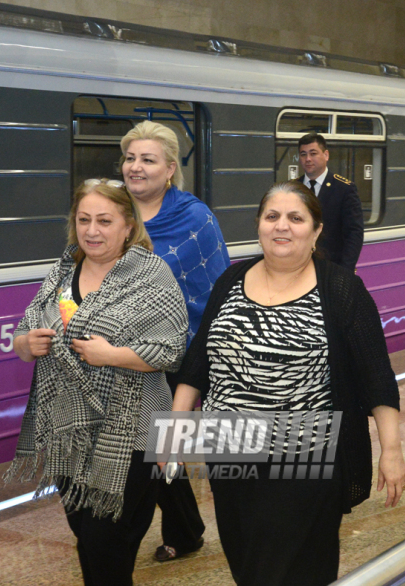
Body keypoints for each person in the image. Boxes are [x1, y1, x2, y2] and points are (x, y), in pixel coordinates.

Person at [169, 181, 405, 585]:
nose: (282, 226)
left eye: (296, 218)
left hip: (305, 451)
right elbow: (198, 362)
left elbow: (376, 376)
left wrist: (393, 450)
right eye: (272, 216)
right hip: (228, 447)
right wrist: (174, 433)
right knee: (246, 563)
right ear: (259, 225)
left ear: (315, 231)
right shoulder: (230, 280)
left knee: (281, 569)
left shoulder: (341, 289)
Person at [5, 179, 188, 586]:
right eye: (84, 220)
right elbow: (22, 334)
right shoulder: (61, 271)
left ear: (128, 225)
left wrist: (113, 356)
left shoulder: (151, 275)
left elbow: (173, 350)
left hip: (134, 431)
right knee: (89, 539)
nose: (92, 230)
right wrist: (27, 343)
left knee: (103, 540)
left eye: (105, 221)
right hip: (70, 432)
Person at [121, 120, 230, 561]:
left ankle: (158, 532)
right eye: (129, 158)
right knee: (150, 444)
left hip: (175, 350)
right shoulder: (112, 210)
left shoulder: (195, 217)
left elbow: (217, 285)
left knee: (151, 441)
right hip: (115, 351)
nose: (136, 167)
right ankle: (185, 529)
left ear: (170, 170)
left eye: (147, 159)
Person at [297, 132, 364, 271]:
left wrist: (345, 271)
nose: (308, 159)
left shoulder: (344, 188)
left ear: (326, 155)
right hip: (298, 268)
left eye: (313, 153)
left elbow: (354, 234)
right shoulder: (293, 188)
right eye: (303, 154)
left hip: (332, 268)